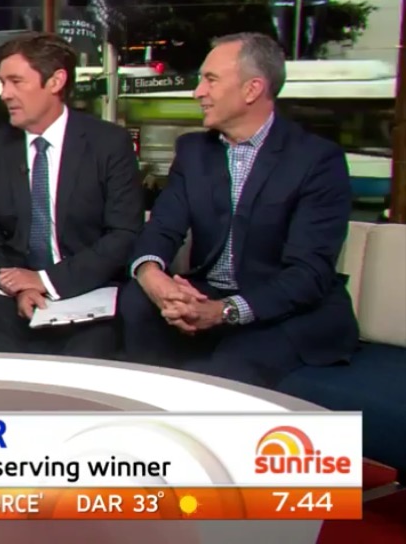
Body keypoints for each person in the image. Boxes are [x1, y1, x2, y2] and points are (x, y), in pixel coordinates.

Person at [119, 32, 358, 389]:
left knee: (229, 369)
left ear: (252, 89)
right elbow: (162, 227)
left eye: (210, 80)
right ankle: (147, 408)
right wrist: (152, 276)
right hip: (210, 293)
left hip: (284, 309)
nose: (198, 92)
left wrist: (224, 311)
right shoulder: (194, 151)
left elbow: (308, 274)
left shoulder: (317, 160)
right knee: (136, 300)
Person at [0, 32, 143, 357]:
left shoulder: (108, 144)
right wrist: (19, 288)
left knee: (90, 350)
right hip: (13, 297)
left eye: (16, 82)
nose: (5, 94)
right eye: (2, 83)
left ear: (55, 81)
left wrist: (45, 281)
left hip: (88, 290)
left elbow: (123, 235)